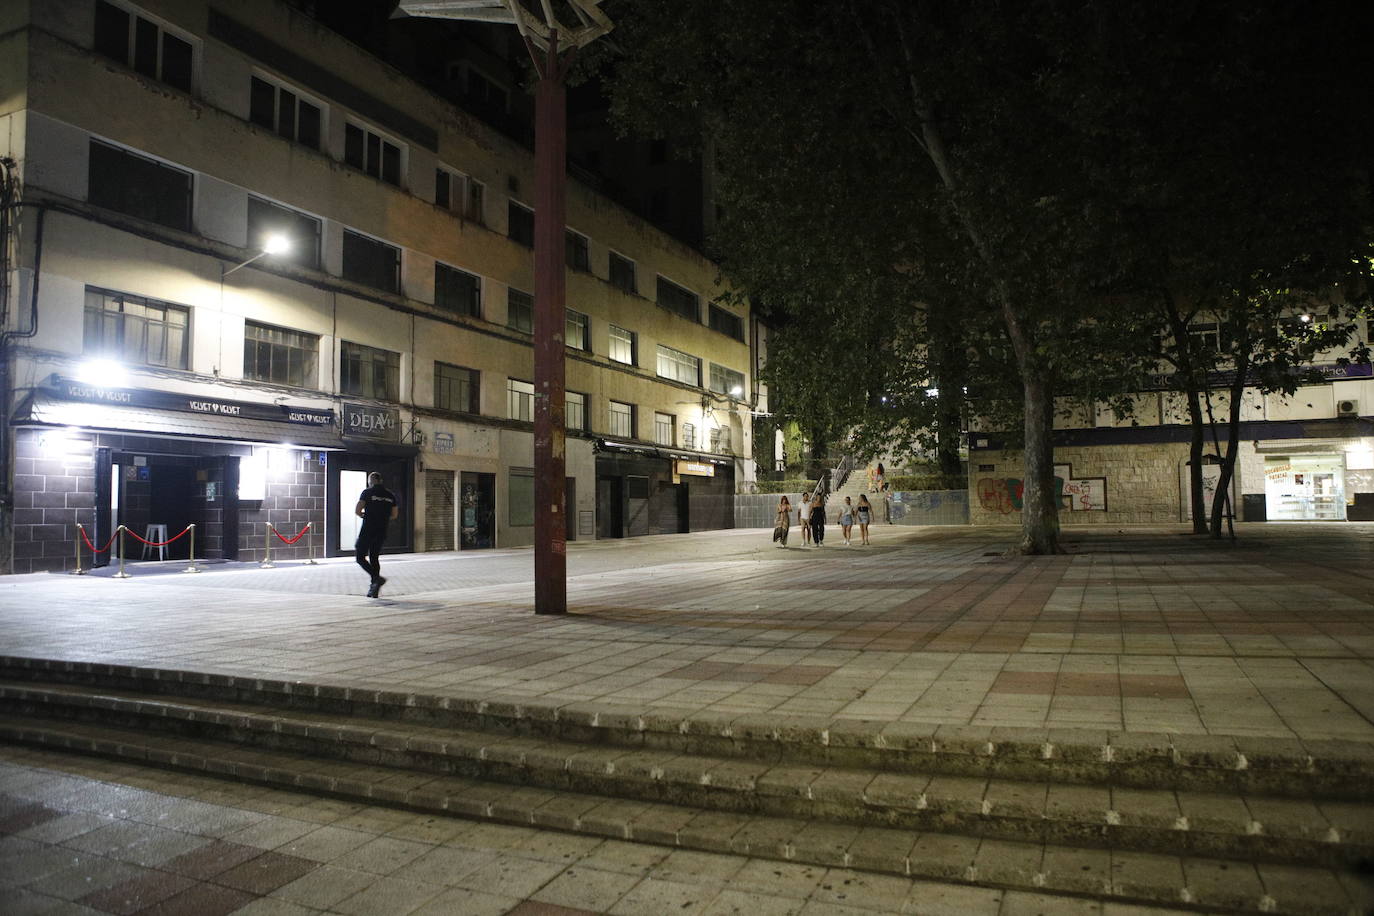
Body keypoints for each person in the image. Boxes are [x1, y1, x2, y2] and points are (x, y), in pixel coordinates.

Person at [355, 471, 399, 597]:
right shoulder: (391, 495)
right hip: (382, 530)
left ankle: (376, 579)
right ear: (381, 480)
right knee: (374, 557)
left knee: (360, 556)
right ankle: (374, 588)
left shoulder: (367, 492)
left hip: (368, 529)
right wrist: (383, 518)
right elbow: (394, 515)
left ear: (371, 481)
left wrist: (364, 516)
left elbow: (357, 510)